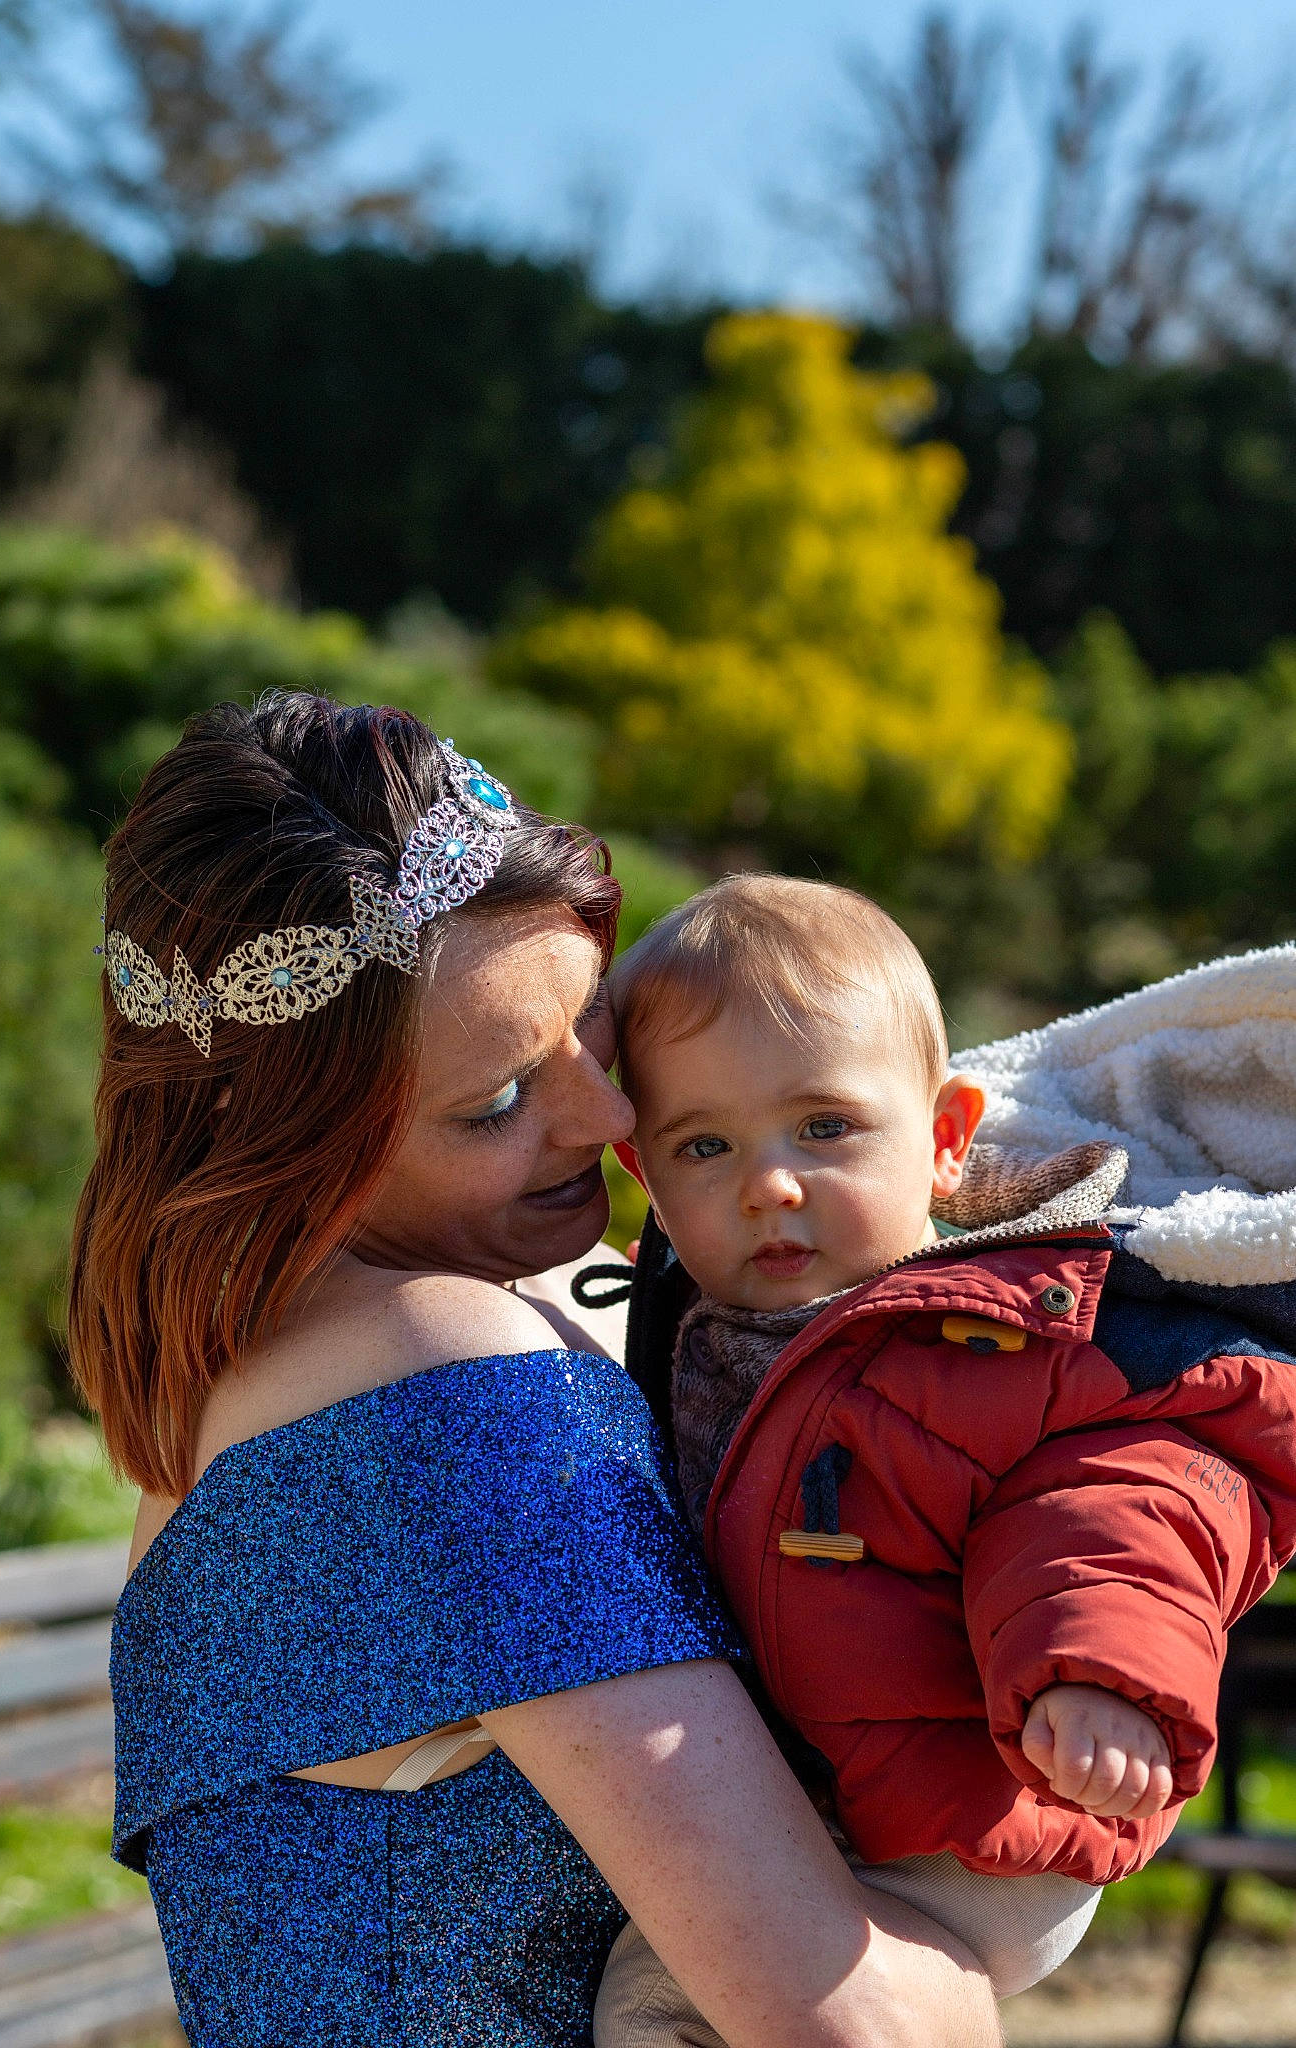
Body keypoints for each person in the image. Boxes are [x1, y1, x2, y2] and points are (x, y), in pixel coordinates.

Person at [72, 697, 1000, 2048]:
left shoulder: (245, 1399)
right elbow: (849, 2024)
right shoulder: (438, 1385)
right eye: (496, 1101)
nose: (608, 1116)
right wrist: (1006, 1927)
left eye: (590, 1031)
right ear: (278, 1132)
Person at [596, 873, 1296, 2046]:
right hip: (809, 1794)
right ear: (652, 1187)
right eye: (705, 1144)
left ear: (944, 1139)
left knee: (672, 2002)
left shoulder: (1012, 1329)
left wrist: (1098, 1673)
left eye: (824, 1126)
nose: (770, 1180)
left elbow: (1135, 1493)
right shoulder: (692, 1327)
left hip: (986, 1806)